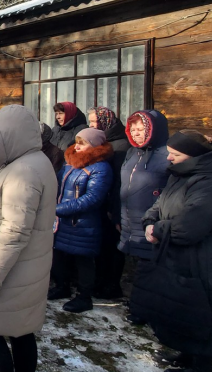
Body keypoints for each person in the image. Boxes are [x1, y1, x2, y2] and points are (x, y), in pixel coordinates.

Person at [0, 105, 58, 372]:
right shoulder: (31, 162)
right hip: (26, 268)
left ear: (10, 134)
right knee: (20, 329)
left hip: (10, 272)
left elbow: (14, 232)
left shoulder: (23, 172)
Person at [135, 130, 212, 372]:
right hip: (176, 256)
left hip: (202, 260)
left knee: (202, 311)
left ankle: (201, 365)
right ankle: (187, 354)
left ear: (193, 156)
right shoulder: (180, 174)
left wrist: (158, 229)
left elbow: (190, 226)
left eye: (175, 154)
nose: (169, 158)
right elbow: (159, 203)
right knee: (184, 309)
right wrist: (149, 221)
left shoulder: (209, 182)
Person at [49, 128, 114, 313]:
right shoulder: (70, 163)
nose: (76, 146)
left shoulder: (101, 168)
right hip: (62, 222)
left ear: (94, 146)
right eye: (76, 142)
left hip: (83, 223)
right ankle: (62, 286)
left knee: (83, 259)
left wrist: (58, 209)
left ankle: (84, 296)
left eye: (82, 143)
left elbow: (93, 198)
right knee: (59, 255)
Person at [119, 109, 170, 324]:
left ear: (153, 130)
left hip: (152, 222)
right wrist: (118, 217)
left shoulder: (166, 155)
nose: (137, 133)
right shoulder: (133, 152)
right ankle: (138, 304)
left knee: (149, 269)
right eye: (133, 129)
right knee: (138, 265)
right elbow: (123, 186)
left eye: (141, 129)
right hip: (129, 218)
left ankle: (145, 310)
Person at [88, 107, 130, 300]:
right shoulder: (105, 142)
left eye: (94, 122)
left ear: (105, 122)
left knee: (113, 248)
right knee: (102, 246)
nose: (91, 125)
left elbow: (120, 182)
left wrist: (115, 209)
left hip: (113, 205)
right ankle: (101, 282)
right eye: (90, 122)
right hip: (103, 204)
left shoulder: (120, 146)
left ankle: (111, 286)